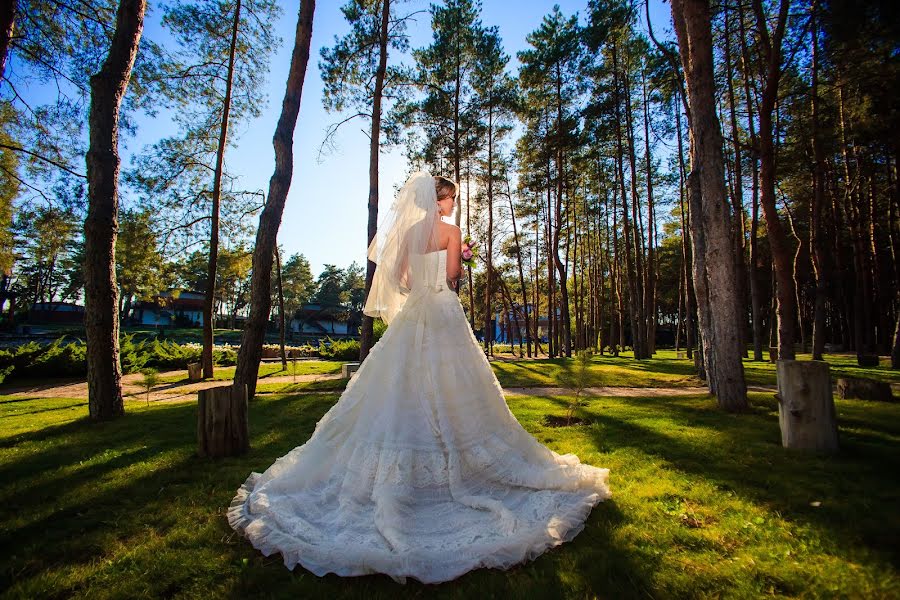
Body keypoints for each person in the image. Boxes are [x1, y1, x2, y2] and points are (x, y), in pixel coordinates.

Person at [227, 171, 611, 585]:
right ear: (440, 198)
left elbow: (402, 279)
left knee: (400, 385)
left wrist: (423, 280)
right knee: (454, 383)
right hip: (442, 309)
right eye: (450, 198)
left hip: (415, 313)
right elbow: (451, 277)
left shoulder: (409, 230)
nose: (451, 204)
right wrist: (459, 256)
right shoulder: (450, 230)